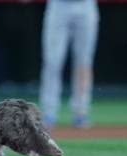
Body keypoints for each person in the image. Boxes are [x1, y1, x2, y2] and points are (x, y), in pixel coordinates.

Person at [39, 0, 99, 129]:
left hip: (86, 4)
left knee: (84, 62)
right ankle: (49, 113)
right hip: (59, 5)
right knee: (52, 61)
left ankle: (81, 112)